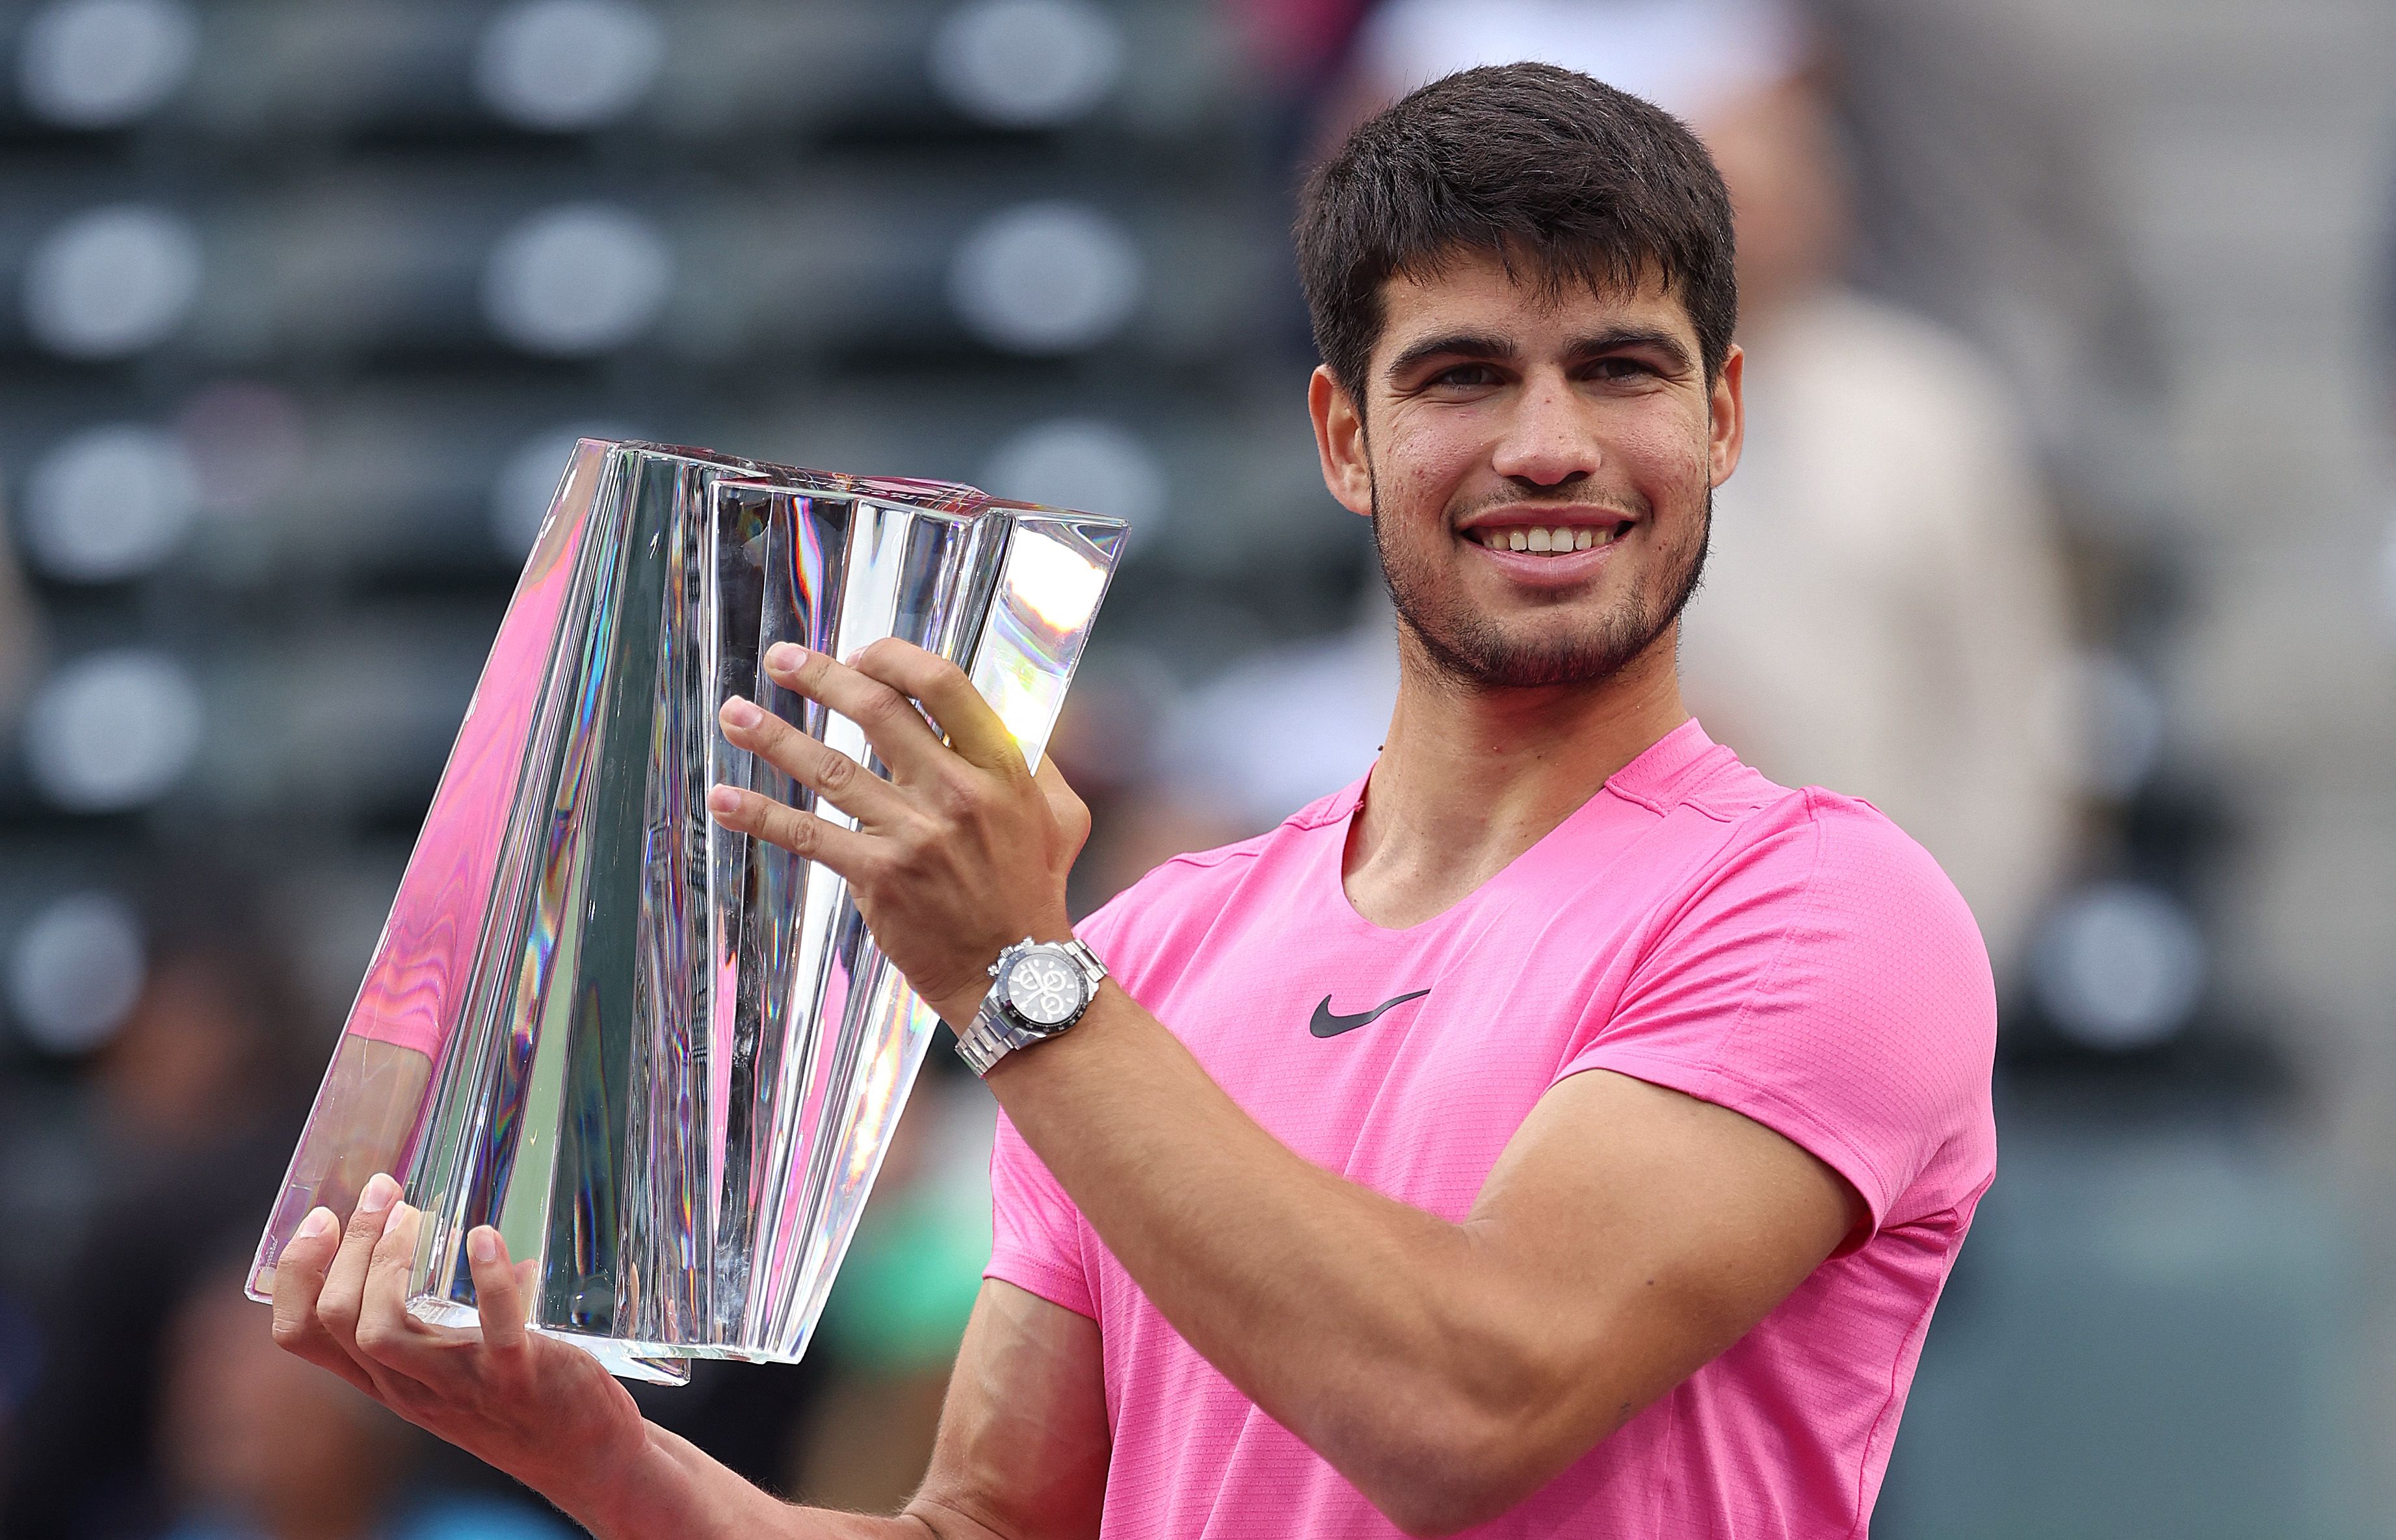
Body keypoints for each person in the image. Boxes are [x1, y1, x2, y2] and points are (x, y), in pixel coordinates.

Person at [267, 64, 1995, 1537]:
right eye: (1463, 375)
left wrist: (1018, 981)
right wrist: (603, 1458)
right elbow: (986, 1530)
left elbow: (1472, 1408)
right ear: (1343, 437)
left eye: (1619, 368)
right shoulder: (1149, 952)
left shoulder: (1829, 910)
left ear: (1722, 417)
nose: (1549, 443)